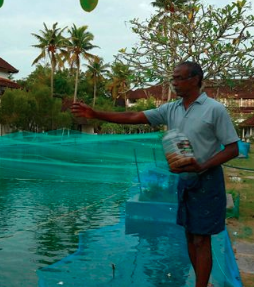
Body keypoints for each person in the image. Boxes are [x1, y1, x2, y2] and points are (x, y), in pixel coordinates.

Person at [71, 61, 239, 287]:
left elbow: (232, 148)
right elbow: (133, 116)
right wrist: (95, 114)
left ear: (196, 79)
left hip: (207, 180)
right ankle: (201, 281)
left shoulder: (214, 109)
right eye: (174, 78)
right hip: (184, 179)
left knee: (202, 238)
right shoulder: (172, 109)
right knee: (190, 234)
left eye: (180, 78)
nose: (175, 83)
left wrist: (202, 165)